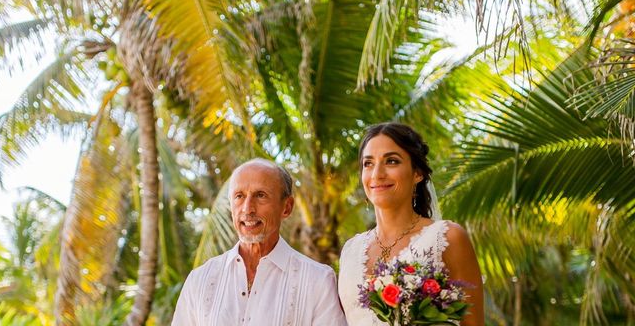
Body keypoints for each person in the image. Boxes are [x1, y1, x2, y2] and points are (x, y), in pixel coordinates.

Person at [338, 122, 484, 325]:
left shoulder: (447, 238)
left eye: (391, 161)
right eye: (368, 163)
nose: (377, 174)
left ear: (417, 173)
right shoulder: (350, 251)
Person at [172, 158, 347, 325]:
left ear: (286, 207)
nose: (248, 209)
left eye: (260, 195)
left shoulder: (318, 280)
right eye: (239, 196)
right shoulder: (199, 280)